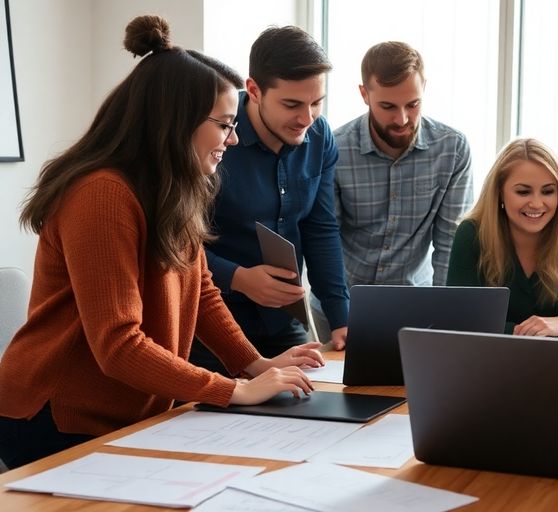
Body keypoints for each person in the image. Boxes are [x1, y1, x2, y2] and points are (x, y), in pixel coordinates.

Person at [0, 16, 324, 470]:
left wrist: (255, 366)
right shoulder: (102, 195)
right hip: (57, 418)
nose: (232, 139)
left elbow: (203, 294)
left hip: (126, 413)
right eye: (224, 125)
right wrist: (231, 389)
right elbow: (118, 344)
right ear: (177, 122)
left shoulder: (174, 189)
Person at [192, 26, 350, 376]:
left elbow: (320, 228)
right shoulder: (213, 136)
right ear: (254, 90)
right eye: (292, 104)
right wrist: (238, 278)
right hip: (209, 324)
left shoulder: (319, 136)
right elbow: (177, 241)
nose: (306, 119)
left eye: (316, 103)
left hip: (282, 319)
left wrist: (341, 319)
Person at [334, 41, 473, 286]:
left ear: (424, 88)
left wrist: (446, 315)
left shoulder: (452, 149)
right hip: (345, 298)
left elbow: (450, 243)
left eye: (413, 104)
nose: (402, 119)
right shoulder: (335, 149)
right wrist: (337, 310)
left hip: (417, 300)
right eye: (388, 106)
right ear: (364, 94)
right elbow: (325, 238)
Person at [447, 138, 558, 338]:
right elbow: (460, 319)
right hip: (490, 360)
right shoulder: (472, 233)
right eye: (523, 192)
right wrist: (528, 334)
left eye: (548, 191)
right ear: (500, 192)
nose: (536, 203)